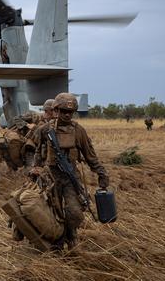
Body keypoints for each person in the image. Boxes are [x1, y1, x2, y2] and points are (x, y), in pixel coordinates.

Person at [31, 93, 110, 251]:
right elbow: (38, 152)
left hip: (70, 177)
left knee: (74, 212)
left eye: (70, 112)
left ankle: (70, 235)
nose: (67, 115)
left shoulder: (79, 131)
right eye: (63, 111)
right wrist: (35, 168)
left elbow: (90, 156)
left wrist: (101, 173)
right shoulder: (44, 130)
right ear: (56, 110)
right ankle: (55, 242)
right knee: (49, 213)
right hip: (50, 176)